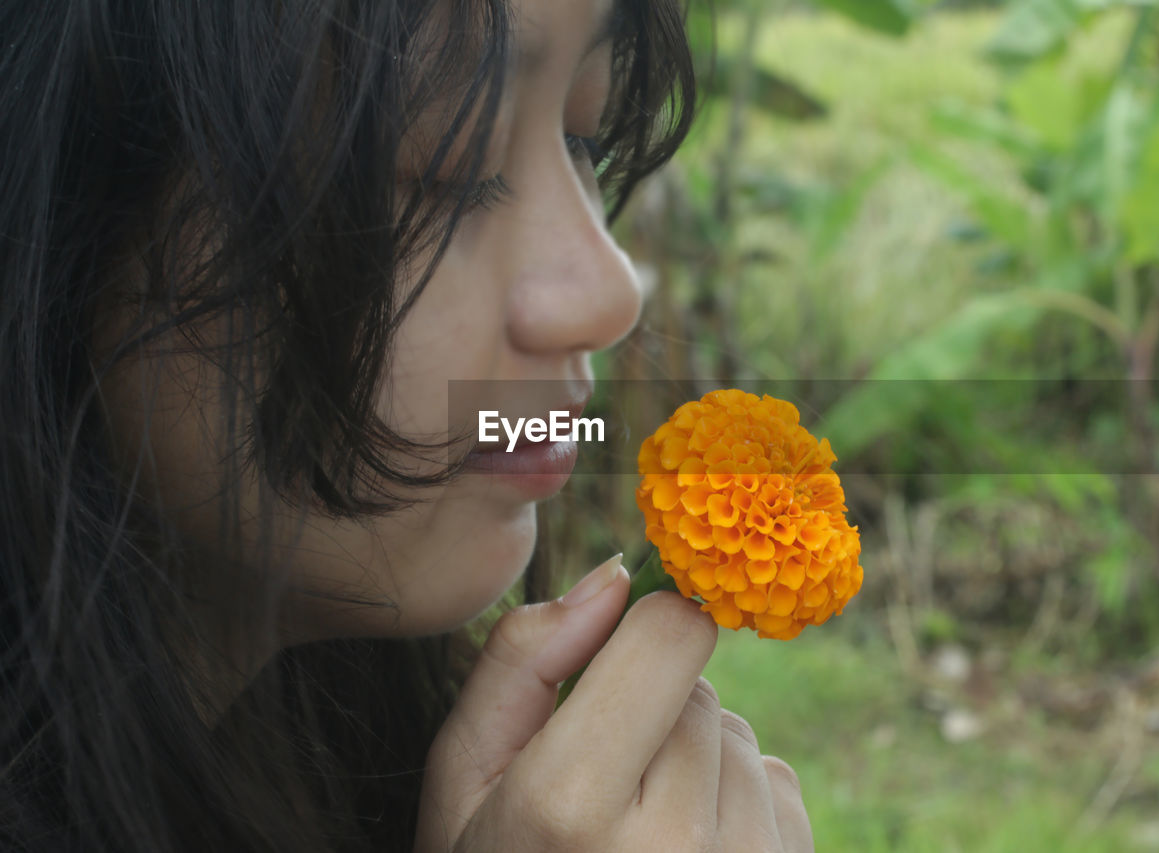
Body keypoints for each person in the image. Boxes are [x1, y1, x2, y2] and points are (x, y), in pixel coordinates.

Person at [0, 0, 814, 850]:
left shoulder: (360, 765)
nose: (609, 296)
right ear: (55, 199)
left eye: (586, 138)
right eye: (452, 165)